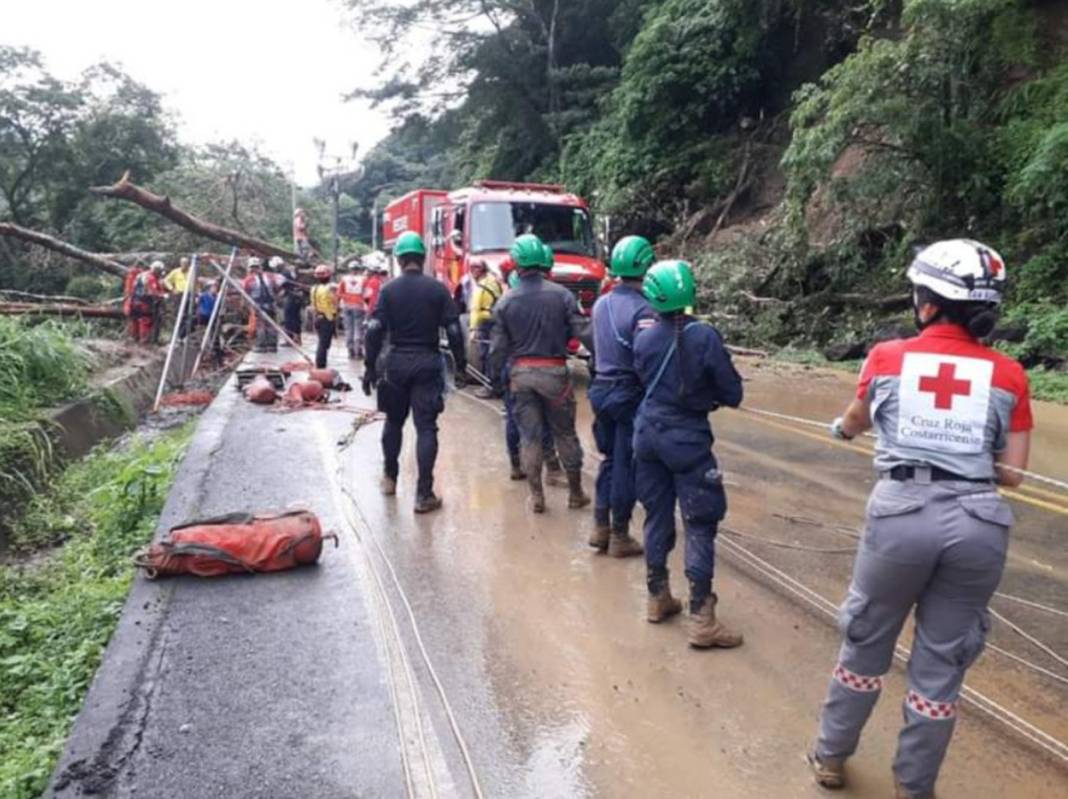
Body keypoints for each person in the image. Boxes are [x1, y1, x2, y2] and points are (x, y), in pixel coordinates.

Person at [808, 240, 1032, 799]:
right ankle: (915, 787)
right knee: (941, 666)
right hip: (980, 526)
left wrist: (843, 427)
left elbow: (855, 422)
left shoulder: (886, 357)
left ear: (928, 302)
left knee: (865, 642)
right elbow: (1014, 475)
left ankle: (832, 757)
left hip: (901, 518)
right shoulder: (1009, 375)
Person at [633, 260, 743, 648]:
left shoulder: (644, 339)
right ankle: (702, 618)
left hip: (647, 436)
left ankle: (657, 596)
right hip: (688, 442)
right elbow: (733, 393)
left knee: (656, 515)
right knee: (699, 522)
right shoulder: (705, 337)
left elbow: (643, 381)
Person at [363, 232, 466, 514]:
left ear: (398, 258)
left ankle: (389, 478)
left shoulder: (388, 290)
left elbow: (373, 329)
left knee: (393, 423)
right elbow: (455, 330)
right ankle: (423, 495)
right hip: (426, 362)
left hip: (395, 363)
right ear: (423, 258)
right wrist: (462, 366)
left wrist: (369, 367)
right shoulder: (437, 289)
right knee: (426, 428)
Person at [489, 233, 591, 514]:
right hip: (555, 372)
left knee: (530, 437)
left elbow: (497, 350)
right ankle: (575, 493)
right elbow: (584, 333)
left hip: (521, 376)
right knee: (565, 434)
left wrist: (498, 381)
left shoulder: (506, 301)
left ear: (517, 262)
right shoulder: (562, 295)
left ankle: (537, 497)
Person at [588, 236, 658, 558]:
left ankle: (600, 526)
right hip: (627, 392)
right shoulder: (645, 308)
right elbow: (646, 355)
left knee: (610, 460)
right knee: (625, 464)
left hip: (600, 388)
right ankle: (619, 534)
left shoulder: (601, 303)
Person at [500, 264, 564, 482]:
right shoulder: (553, 296)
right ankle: (552, 467)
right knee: (543, 421)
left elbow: (497, 347)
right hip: (544, 366)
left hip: (515, 368)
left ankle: (518, 466)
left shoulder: (507, 301)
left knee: (516, 420)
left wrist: (495, 377)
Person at [468, 259, 504, 397]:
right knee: (495, 354)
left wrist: (472, 330)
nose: (472, 272)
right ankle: (498, 385)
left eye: (474, 269)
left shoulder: (481, 287)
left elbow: (475, 309)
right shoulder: (493, 280)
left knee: (486, 356)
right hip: (496, 321)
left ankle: (489, 387)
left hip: (485, 322)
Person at [243, 257, 278, 353]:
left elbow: (246, 292)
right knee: (271, 325)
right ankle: (272, 345)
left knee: (261, 325)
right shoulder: (269, 277)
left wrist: (248, 305)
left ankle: (261, 346)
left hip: (258, 305)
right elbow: (276, 288)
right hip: (271, 304)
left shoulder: (249, 280)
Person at [309, 264, 337, 368]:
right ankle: (321, 365)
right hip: (327, 317)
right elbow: (335, 301)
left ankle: (321, 363)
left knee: (322, 342)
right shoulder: (330, 288)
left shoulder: (314, 288)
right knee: (323, 344)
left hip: (318, 317)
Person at [338, 260, 367, 359]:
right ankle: (358, 351)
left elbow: (339, 293)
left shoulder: (344, 279)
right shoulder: (363, 279)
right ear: (358, 269)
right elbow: (366, 293)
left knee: (349, 329)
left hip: (347, 306)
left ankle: (350, 351)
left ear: (349, 269)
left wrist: (346, 298)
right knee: (358, 329)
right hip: (359, 306)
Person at [133, 261, 166, 345]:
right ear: (156, 270)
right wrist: (162, 296)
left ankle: (142, 340)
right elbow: (152, 291)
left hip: (137, 300)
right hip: (146, 301)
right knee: (146, 320)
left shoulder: (143, 274)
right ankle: (145, 341)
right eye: (159, 272)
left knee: (142, 319)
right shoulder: (151, 278)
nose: (160, 274)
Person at [163, 257, 192, 340]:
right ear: (180, 264)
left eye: (186, 264)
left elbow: (196, 282)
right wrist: (172, 289)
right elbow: (166, 280)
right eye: (183, 263)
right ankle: (177, 335)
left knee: (188, 315)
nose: (184, 265)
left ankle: (183, 335)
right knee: (179, 314)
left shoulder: (192, 271)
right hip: (179, 294)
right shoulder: (176, 272)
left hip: (189, 294)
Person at [122, 261, 145, 341]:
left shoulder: (132, 275)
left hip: (132, 300)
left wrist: (128, 297)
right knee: (138, 318)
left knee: (132, 318)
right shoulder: (141, 275)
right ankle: (137, 336)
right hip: (138, 300)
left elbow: (128, 289)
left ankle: (133, 335)